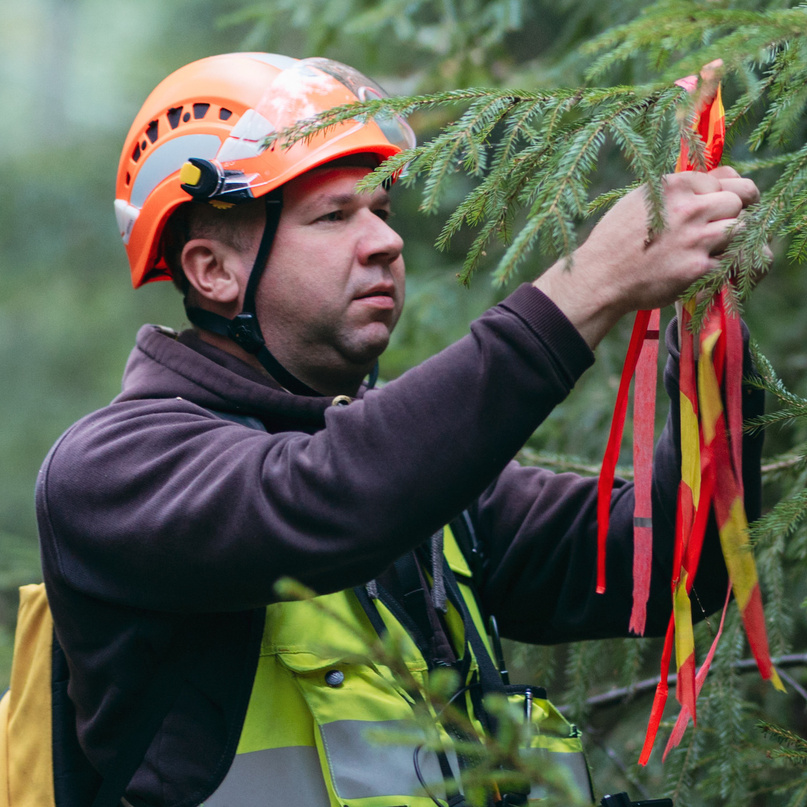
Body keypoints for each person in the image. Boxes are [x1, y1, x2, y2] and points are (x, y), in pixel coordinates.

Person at [35, 52, 765, 807]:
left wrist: (710, 333)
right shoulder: (112, 470)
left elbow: (681, 556)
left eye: (380, 211)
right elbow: (329, 496)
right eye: (334, 215)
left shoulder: (430, 490)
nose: (384, 242)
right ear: (213, 270)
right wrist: (588, 285)